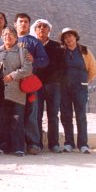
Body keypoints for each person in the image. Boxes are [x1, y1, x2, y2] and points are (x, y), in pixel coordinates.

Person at [0, 26, 33, 157]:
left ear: (16, 37)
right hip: (0, 92)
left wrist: (13, 76)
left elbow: (28, 69)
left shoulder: (22, 51)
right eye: (5, 34)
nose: (8, 36)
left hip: (16, 92)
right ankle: (4, 146)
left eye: (11, 34)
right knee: (3, 120)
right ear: (2, 37)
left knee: (17, 120)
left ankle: (19, 147)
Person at [59, 27, 96, 154]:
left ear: (76, 37)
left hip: (80, 87)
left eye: (70, 36)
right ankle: (69, 143)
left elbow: (93, 69)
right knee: (66, 115)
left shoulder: (85, 51)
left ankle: (83, 144)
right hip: (64, 87)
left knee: (81, 115)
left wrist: (85, 81)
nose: (68, 39)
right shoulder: (61, 52)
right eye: (65, 37)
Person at [14, 13, 48, 155]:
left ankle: (33, 143)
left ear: (29, 25)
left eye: (26, 22)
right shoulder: (8, 39)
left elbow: (45, 61)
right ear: (15, 24)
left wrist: (34, 60)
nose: (23, 24)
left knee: (31, 113)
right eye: (20, 21)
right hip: (13, 83)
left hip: (29, 84)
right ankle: (17, 144)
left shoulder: (35, 42)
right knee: (16, 114)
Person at [31, 18, 65, 152]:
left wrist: (57, 81)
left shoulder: (57, 46)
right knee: (37, 115)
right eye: (39, 26)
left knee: (53, 115)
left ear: (49, 30)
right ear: (35, 30)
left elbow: (62, 67)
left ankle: (54, 143)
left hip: (53, 85)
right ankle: (37, 142)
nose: (42, 29)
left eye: (45, 26)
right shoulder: (32, 46)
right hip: (36, 85)